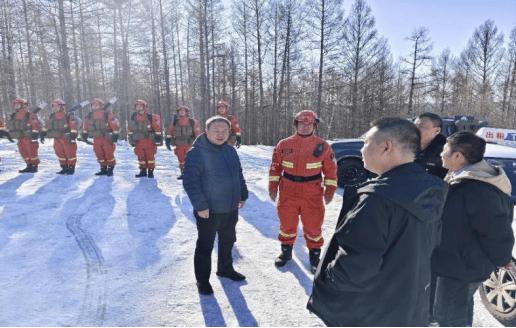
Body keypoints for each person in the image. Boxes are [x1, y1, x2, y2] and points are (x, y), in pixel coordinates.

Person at [307, 117, 448, 327]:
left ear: (386, 147)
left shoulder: (377, 199)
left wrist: (326, 280)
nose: (362, 149)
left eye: (366, 142)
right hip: (409, 308)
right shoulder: (431, 189)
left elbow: (354, 269)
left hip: (372, 313)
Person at [431, 131, 514, 327]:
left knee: (448, 316)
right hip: (457, 260)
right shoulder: (461, 178)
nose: (440, 154)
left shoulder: (478, 188)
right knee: (459, 309)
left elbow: (495, 229)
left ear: (458, 156)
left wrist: (502, 258)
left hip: (462, 265)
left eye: (444, 150)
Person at [183, 116, 249, 296]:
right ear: (206, 131)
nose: (220, 135)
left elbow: (238, 175)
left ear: (229, 132)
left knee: (228, 241)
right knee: (205, 246)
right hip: (208, 210)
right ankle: (202, 280)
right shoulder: (196, 152)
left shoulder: (230, 150)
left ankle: (225, 269)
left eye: (224, 131)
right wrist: (200, 206)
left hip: (230, 207)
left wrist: (242, 195)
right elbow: (190, 182)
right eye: (216, 131)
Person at [269, 109, 338, 273]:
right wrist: (273, 187)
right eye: (302, 123)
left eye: (309, 124)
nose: (305, 127)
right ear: (295, 124)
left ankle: (315, 257)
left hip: (312, 193)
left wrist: (330, 190)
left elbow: (330, 170)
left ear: (315, 125)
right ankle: (286, 253)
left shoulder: (323, 146)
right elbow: (275, 168)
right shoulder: (284, 144)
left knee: (313, 227)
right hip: (288, 191)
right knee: (286, 224)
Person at [82, 98, 120, 176]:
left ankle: (110, 168)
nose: (94, 107)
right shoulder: (90, 116)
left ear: (101, 106)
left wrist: (115, 135)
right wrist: (84, 135)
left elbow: (114, 125)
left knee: (109, 154)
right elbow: (85, 125)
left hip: (107, 139)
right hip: (96, 138)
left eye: (96, 105)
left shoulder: (107, 115)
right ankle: (103, 168)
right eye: (93, 106)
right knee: (99, 154)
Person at [40, 99, 79, 175]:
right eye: (53, 106)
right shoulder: (52, 116)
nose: (55, 108)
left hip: (67, 138)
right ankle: (64, 168)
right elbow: (46, 126)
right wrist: (43, 134)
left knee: (70, 153)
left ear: (62, 107)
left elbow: (73, 127)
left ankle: (71, 167)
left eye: (56, 106)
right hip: (57, 138)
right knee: (60, 153)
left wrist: (73, 137)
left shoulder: (68, 116)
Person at [128, 100, 162, 178]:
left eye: (140, 106)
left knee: (150, 156)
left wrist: (158, 137)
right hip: (138, 141)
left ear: (144, 107)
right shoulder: (133, 116)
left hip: (149, 141)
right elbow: (130, 128)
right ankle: (142, 170)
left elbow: (157, 127)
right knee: (140, 156)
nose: (139, 108)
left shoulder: (150, 117)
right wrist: (130, 138)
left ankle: (150, 171)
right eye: (137, 106)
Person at [5, 98, 41, 173]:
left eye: (17, 105)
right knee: (23, 152)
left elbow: (35, 126)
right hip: (20, 138)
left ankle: (34, 166)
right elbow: (10, 126)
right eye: (14, 105)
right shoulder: (14, 116)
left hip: (29, 138)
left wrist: (34, 137)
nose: (15, 106)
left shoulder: (30, 115)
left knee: (32, 152)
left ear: (23, 105)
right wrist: (8, 134)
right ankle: (29, 165)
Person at [165, 105, 200, 179]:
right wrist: (167, 140)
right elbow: (170, 131)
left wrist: (198, 142)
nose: (181, 112)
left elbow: (197, 133)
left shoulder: (191, 121)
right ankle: (183, 173)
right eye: (180, 111)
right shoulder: (175, 122)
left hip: (189, 144)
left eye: (183, 111)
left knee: (190, 159)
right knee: (181, 159)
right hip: (179, 144)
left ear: (186, 112)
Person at [414, 112, 448, 179]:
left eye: (421, 126)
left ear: (437, 130)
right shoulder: (406, 147)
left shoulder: (446, 152)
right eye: (415, 126)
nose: (416, 129)